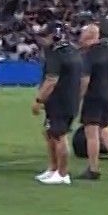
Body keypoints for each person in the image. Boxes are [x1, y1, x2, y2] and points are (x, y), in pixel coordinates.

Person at [76, 25, 108, 180]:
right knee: (104, 130)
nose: (80, 37)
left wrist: (78, 97)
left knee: (91, 133)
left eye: (82, 34)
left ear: (88, 36)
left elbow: (85, 79)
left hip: (94, 96)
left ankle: (93, 169)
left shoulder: (88, 55)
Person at [31, 22, 81, 185]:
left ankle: (62, 173)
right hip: (68, 99)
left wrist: (38, 100)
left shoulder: (56, 54)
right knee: (50, 133)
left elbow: (51, 80)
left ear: (55, 35)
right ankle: (53, 168)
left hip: (59, 101)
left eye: (44, 36)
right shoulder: (73, 50)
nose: (41, 40)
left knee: (59, 136)